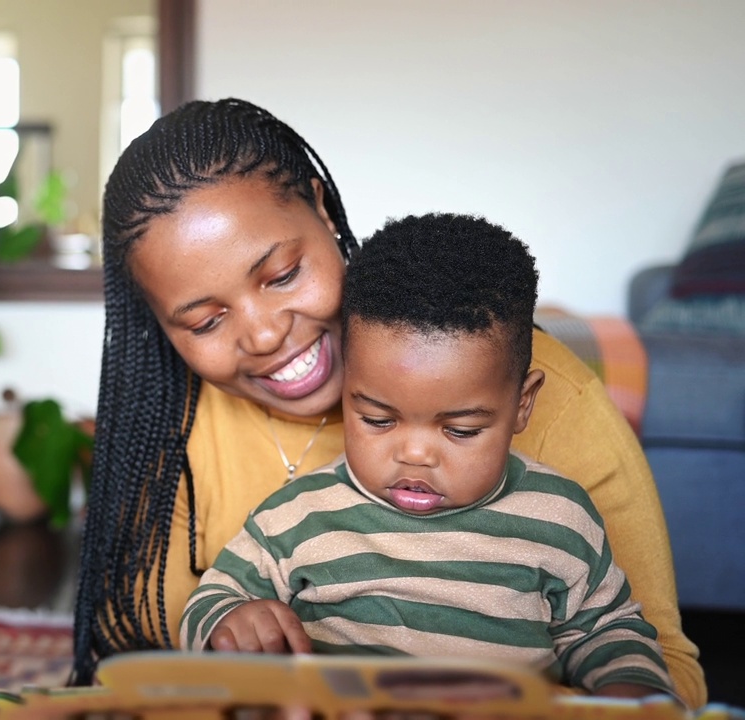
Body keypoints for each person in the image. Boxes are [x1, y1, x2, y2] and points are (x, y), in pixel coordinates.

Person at [69, 97, 705, 707]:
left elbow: (654, 666)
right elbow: (139, 651)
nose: (263, 335)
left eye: (284, 275)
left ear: (320, 209)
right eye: (205, 321)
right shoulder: (169, 430)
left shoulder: (554, 416)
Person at [179, 213, 676, 700]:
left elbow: (607, 631)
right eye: (377, 420)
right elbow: (213, 601)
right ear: (348, 386)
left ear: (522, 404)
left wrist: (629, 689)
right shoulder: (295, 515)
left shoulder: (561, 518)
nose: (414, 454)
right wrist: (229, 620)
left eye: (460, 429)